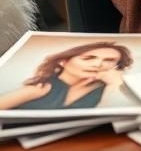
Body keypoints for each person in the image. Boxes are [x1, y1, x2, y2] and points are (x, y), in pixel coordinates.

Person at [0, 42, 132, 110]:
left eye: (109, 60)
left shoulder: (108, 87)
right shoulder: (42, 87)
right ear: (63, 61)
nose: (98, 64)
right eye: (88, 58)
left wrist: (115, 83)